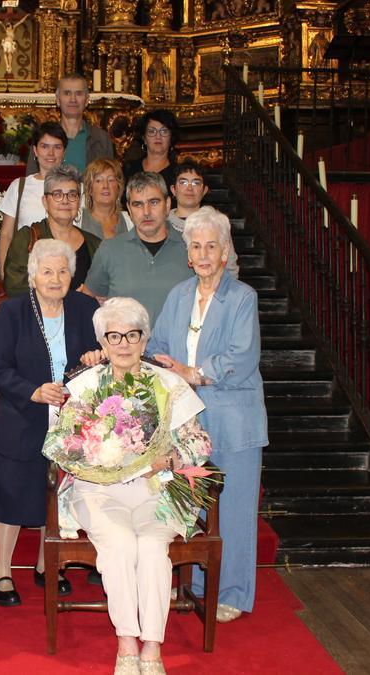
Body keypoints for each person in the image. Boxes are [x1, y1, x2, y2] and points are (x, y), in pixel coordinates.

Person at [61, 297, 213, 673]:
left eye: (132, 335)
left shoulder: (168, 384)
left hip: (158, 488)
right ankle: (127, 643)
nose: (124, 344)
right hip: (98, 490)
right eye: (115, 336)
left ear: (145, 341)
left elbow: (201, 443)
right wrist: (98, 453)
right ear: (103, 342)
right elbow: (65, 445)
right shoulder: (85, 386)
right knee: (120, 545)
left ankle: (152, 648)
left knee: (149, 549)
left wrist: (173, 459)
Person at [148, 207, 267, 625]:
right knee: (195, 506)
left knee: (233, 510)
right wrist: (160, 366)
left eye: (210, 246)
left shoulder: (243, 297)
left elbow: (242, 358)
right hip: (187, 420)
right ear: (188, 255)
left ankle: (232, 591)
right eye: (195, 246)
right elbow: (159, 343)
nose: (202, 253)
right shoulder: (178, 295)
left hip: (234, 419)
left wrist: (192, 373)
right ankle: (200, 587)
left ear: (224, 252)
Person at [0, 239, 99, 607]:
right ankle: (1, 570)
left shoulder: (85, 308)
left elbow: (103, 355)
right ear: (33, 275)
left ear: (72, 275)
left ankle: (45, 564)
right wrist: (32, 391)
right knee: (14, 492)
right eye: (47, 271)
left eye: (62, 271)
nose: (55, 278)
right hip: (23, 415)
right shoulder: (13, 311)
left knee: (58, 494)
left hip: (73, 420)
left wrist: (97, 358)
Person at [84, 172, 192, 326]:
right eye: (138, 204)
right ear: (129, 209)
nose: (146, 212)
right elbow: (88, 300)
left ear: (167, 205)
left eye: (153, 202)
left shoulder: (191, 248)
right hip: (124, 347)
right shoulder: (109, 250)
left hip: (178, 349)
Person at [2, 163, 100, 297]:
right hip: (38, 317)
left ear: (79, 201)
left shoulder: (94, 244)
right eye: (57, 194)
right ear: (45, 202)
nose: (65, 201)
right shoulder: (27, 239)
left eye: (72, 194)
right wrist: (68, 299)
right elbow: (15, 288)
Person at [0, 121, 67, 273]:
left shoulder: (75, 189)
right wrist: (4, 273)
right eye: (44, 146)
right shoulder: (19, 186)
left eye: (57, 147)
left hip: (65, 269)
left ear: (64, 152)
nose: (51, 153)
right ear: (35, 150)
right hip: (24, 270)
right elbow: (6, 234)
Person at [26, 73, 115, 174]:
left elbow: (111, 179)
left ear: (86, 100)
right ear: (58, 100)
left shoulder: (101, 138)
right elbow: (32, 179)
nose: (73, 99)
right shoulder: (43, 137)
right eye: (67, 93)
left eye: (78, 93)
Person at [123, 110, 179, 193]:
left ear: (171, 138)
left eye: (164, 131)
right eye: (152, 131)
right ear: (144, 138)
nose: (158, 136)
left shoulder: (178, 174)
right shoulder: (128, 170)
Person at [79, 157, 133, 240]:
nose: (105, 186)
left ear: (118, 187)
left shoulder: (130, 221)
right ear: (89, 189)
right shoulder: (77, 219)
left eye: (110, 180)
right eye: (98, 180)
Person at [166, 159, 208, 232]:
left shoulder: (216, 223)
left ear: (204, 190)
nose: (189, 188)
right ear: (173, 189)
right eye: (183, 183)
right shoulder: (161, 224)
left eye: (196, 183)